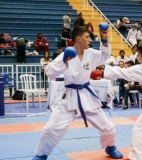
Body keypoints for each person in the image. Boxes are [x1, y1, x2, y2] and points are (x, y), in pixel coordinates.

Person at [32, 25, 123, 160]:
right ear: (78, 39)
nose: (89, 40)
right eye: (87, 37)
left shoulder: (91, 53)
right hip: (69, 96)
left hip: (87, 95)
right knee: (51, 129)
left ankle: (110, 147)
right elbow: (49, 72)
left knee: (108, 127)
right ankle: (41, 155)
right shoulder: (65, 54)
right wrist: (64, 61)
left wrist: (104, 39)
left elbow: (105, 56)